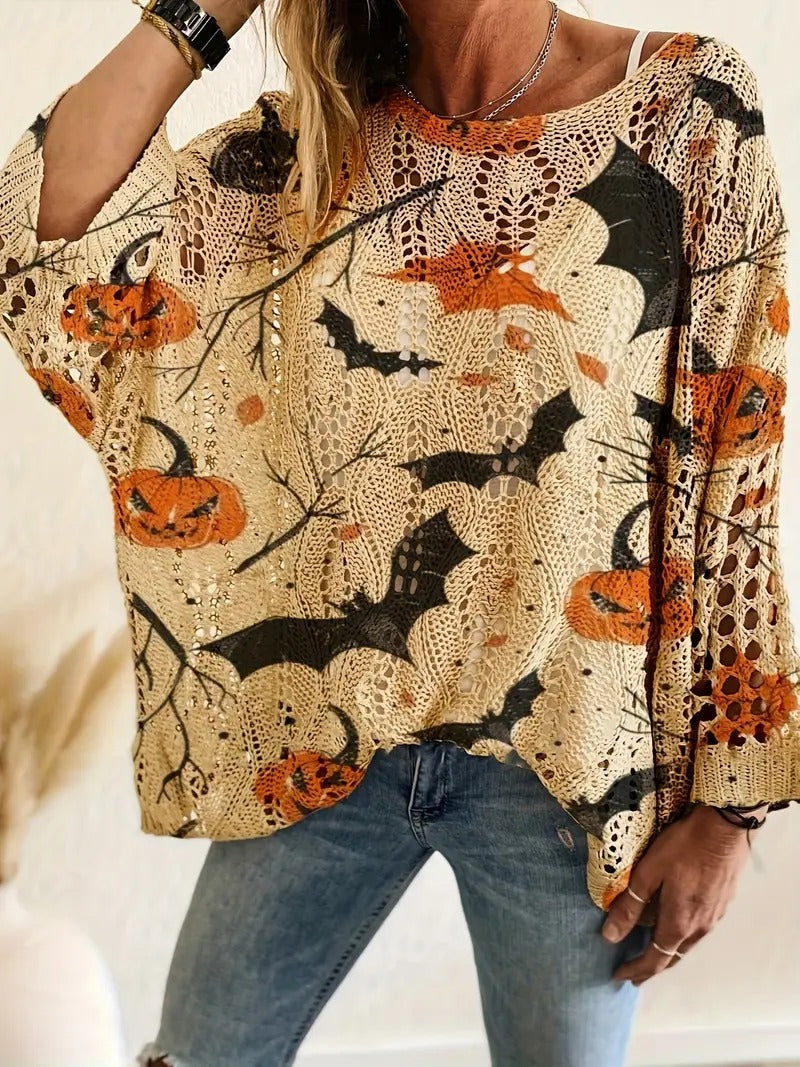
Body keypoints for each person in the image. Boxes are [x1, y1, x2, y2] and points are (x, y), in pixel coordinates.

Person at [1, 1, 798, 1065]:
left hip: (563, 765)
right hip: (325, 737)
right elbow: (46, 233)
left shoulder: (684, 108)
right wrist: (204, 12)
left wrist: (731, 810)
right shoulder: (293, 162)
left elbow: (738, 470)